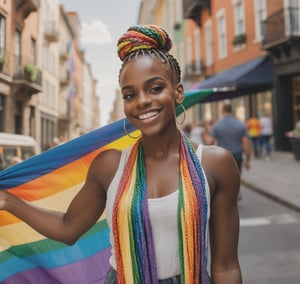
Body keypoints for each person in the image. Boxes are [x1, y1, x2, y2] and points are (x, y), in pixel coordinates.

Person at [0, 25, 242, 283]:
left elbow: (225, 266)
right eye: (130, 94)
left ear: (178, 91)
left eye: (155, 88)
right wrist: (9, 202)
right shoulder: (109, 165)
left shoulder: (216, 164)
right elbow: (68, 228)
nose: (142, 101)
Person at [206, 101, 251, 177]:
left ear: (222, 110)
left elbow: (209, 142)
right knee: (236, 178)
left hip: (222, 156)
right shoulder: (240, 125)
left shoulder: (217, 125)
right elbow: (246, 144)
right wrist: (247, 160)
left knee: (224, 180)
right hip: (237, 155)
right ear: (231, 110)